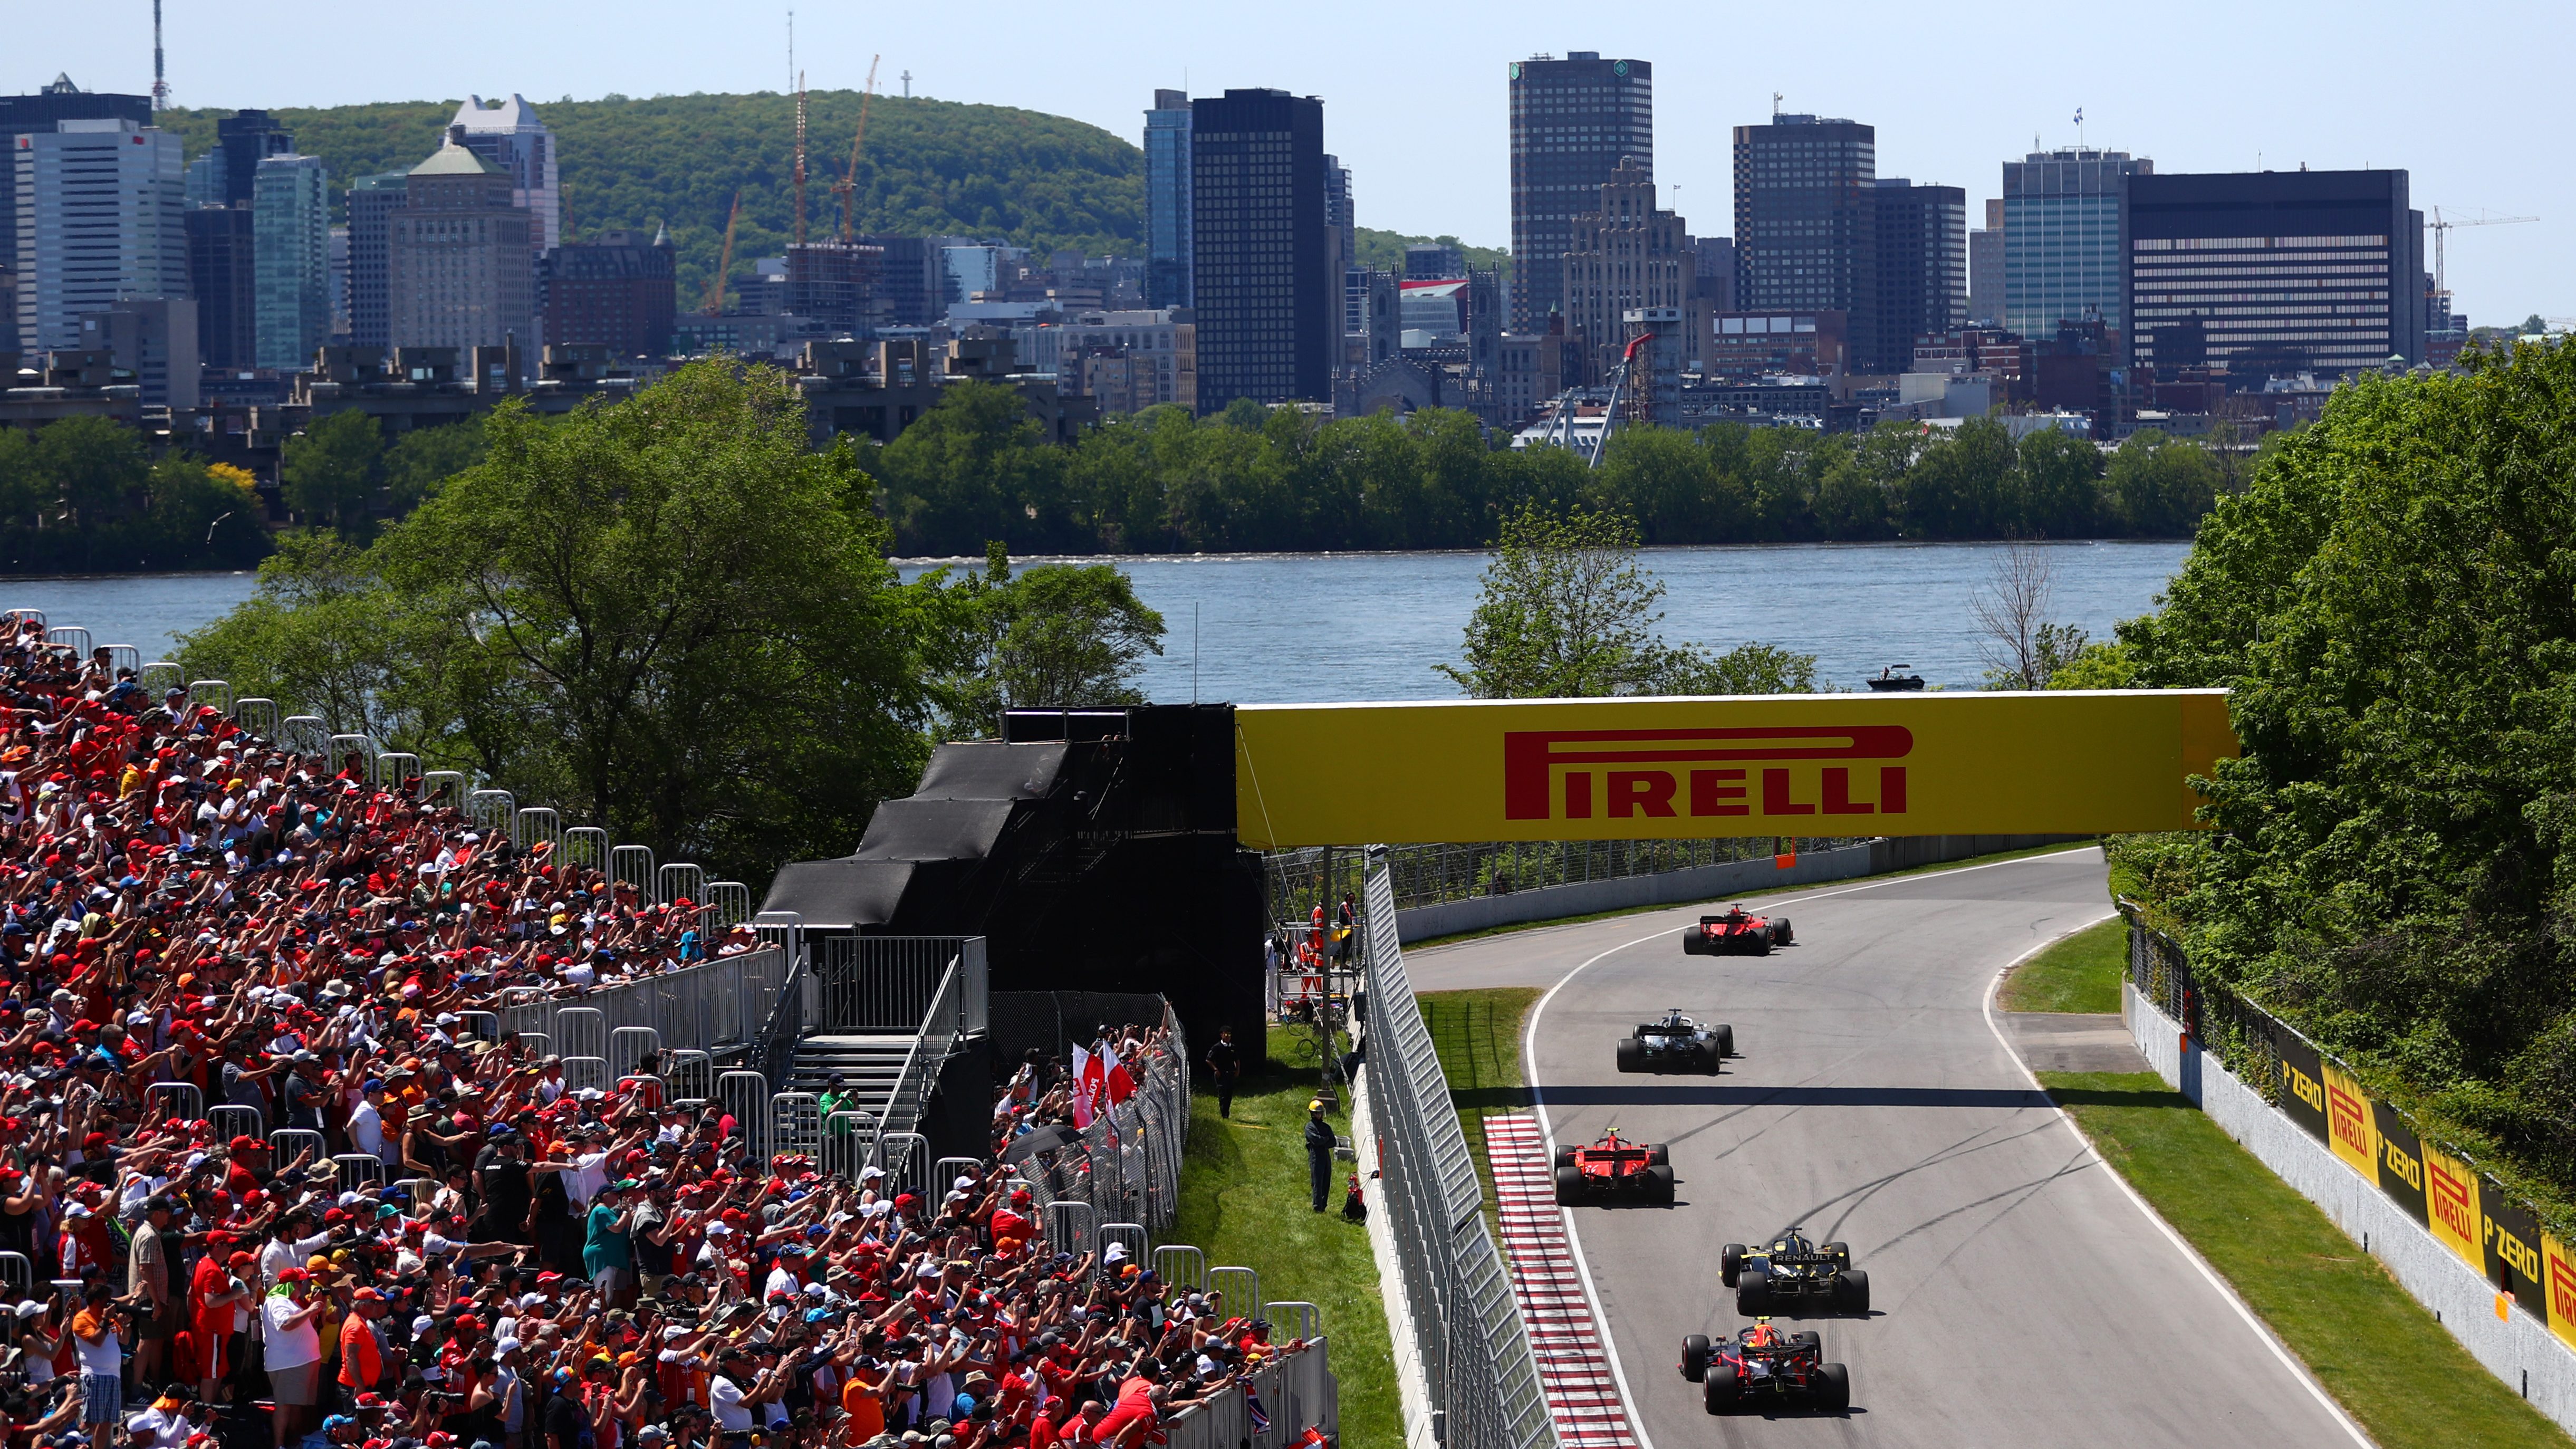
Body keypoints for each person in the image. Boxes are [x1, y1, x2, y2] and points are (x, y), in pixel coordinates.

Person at [261, 1269, 326, 1448]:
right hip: (289, 1363)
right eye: (299, 1283)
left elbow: (303, 1326)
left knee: (299, 1407)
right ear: (289, 1285)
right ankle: (281, 1445)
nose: (302, 1286)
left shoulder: (290, 1302)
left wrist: (313, 1310)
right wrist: (310, 1310)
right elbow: (286, 1324)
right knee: (287, 1406)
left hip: (301, 1362)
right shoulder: (277, 1301)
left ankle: (296, 1443)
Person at [1303, 1101, 1334, 1213]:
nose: (1319, 1115)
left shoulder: (1326, 1127)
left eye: (1320, 1113)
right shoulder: (1309, 1127)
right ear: (1312, 1114)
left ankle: (1323, 1205)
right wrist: (1324, 1140)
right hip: (1315, 1156)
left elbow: (1333, 1142)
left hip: (1325, 1155)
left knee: (1326, 1180)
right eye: (1317, 1113)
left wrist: (1322, 1141)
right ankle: (1317, 1207)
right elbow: (1315, 1140)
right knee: (1317, 1181)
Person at [1203, 1030, 1240, 1121]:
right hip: (1221, 1074)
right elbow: (1208, 1060)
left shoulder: (1233, 1047)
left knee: (1229, 1093)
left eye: (1230, 1035)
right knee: (1222, 1093)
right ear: (1222, 1035)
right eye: (1226, 1035)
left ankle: (1227, 1111)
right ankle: (1224, 1114)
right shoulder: (1217, 1047)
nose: (1228, 1037)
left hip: (1230, 1073)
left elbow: (1237, 1060)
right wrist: (1216, 1069)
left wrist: (1237, 1070)